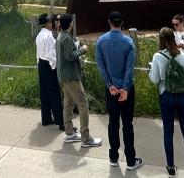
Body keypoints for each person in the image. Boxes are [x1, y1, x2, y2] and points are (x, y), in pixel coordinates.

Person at [95, 11, 143, 170]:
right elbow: (130, 68)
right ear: (122, 23)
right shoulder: (128, 42)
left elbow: (101, 66)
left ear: (109, 22)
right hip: (125, 90)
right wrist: (125, 88)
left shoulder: (101, 41)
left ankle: (113, 158)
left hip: (111, 90)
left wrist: (110, 85)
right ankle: (130, 160)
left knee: (112, 123)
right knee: (127, 124)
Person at [149, 27, 184, 177]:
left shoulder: (158, 56)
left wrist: (150, 71)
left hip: (167, 95)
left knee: (168, 132)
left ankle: (170, 165)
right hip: (183, 96)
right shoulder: (182, 55)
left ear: (160, 39)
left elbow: (155, 79)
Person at [56, 13, 102, 148]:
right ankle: (86, 138)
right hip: (71, 77)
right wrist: (82, 49)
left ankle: (69, 133)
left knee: (68, 104)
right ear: (70, 24)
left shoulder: (60, 37)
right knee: (83, 104)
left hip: (64, 76)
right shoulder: (67, 38)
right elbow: (70, 57)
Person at [35, 13, 64, 130]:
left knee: (44, 93)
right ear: (47, 24)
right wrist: (55, 67)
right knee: (55, 93)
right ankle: (61, 121)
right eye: (51, 22)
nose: (52, 24)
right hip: (48, 65)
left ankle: (46, 118)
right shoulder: (49, 36)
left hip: (41, 64)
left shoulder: (39, 35)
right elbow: (51, 55)